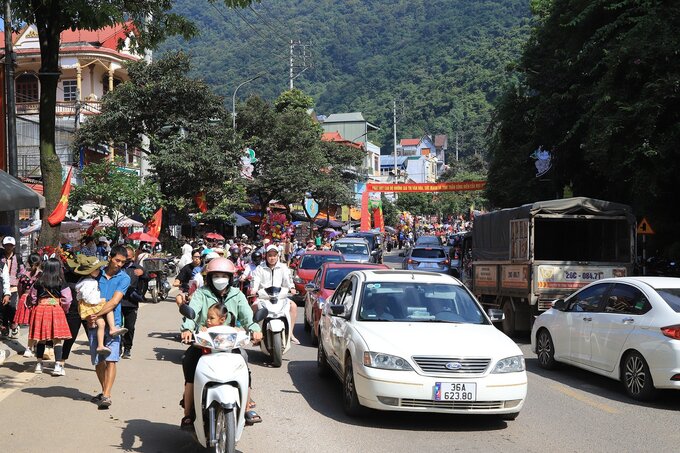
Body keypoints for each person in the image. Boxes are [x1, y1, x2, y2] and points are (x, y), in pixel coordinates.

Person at [179, 258, 262, 428]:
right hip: (204, 344)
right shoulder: (202, 293)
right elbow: (191, 313)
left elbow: (248, 317)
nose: (220, 278)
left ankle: (246, 408)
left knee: (244, 364)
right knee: (189, 366)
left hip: (230, 345)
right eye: (216, 275)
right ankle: (188, 413)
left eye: (224, 275)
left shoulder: (237, 295)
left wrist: (255, 329)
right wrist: (187, 329)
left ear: (230, 278)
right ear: (209, 277)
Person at [88, 245, 130, 409]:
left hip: (114, 322)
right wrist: (89, 316)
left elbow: (114, 301)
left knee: (111, 360)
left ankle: (106, 394)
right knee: (99, 360)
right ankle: (104, 390)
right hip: (93, 322)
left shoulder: (124, 278)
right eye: (117, 260)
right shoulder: (96, 273)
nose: (119, 264)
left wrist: (96, 314)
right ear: (110, 257)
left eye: (123, 262)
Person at [27, 258, 72, 375]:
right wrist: (63, 309)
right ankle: (57, 366)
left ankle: (38, 364)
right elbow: (67, 299)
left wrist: (39, 303)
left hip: (41, 309)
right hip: (56, 309)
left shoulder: (38, 282)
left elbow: (32, 297)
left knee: (41, 339)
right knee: (57, 340)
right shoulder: (61, 282)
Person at [74, 255, 127, 356]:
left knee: (101, 324)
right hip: (92, 305)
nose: (99, 271)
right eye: (97, 269)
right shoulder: (90, 282)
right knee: (109, 307)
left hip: (88, 307)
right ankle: (112, 329)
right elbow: (87, 297)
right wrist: (99, 301)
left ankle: (101, 344)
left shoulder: (83, 281)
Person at [251, 245, 299, 345]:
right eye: (269, 255)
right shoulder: (260, 268)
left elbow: (288, 280)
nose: (272, 258)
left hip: (280, 297)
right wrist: (254, 289)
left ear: (278, 256)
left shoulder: (283, 267)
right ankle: (257, 334)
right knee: (254, 306)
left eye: (274, 255)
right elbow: (255, 280)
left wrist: (292, 288)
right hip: (264, 297)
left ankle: (290, 333)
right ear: (266, 256)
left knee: (293, 306)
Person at [15, 253, 42, 357]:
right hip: (37, 301)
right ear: (40, 262)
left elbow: (19, 289)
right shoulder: (42, 275)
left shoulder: (23, 275)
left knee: (32, 325)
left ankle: (30, 347)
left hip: (25, 299)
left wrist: (23, 296)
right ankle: (32, 346)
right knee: (35, 325)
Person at [120, 246, 144, 359]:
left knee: (130, 327)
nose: (126, 261)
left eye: (129, 258)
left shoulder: (138, 268)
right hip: (117, 302)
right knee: (116, 326)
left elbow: (149, 277)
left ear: (133, 257)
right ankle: (117, 346)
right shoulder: (117, 267)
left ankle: (127, 348)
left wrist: (143, 273)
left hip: (131, 303)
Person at [1, 236, 24, 338]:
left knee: (11, 307)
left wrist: (19, 279)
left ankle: (14, 325)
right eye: (6, 245)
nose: (8, 247)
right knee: (3, 308)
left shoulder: (18, 257)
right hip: (2, 286)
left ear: (14, 246)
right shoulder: (0, 257)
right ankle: (4, 327)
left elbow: (22, 271)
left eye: (10, 245)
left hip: (14, 286)